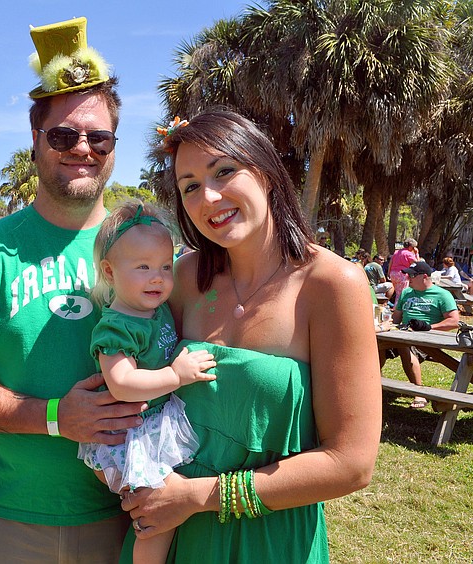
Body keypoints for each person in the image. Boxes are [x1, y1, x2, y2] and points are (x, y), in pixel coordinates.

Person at [0, 17, 145, 563]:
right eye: (63, 135)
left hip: (128, 516)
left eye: (98, 136)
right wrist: (54, 418)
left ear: (114, 145)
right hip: (7, 518)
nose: (81, 148)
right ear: (36, 142)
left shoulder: (144, 246)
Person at [118, 110, 381, 562]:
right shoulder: (180, 279)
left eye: (224, 171)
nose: (210, 197)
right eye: (190, 187)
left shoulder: (334, 284)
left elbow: (351, 464)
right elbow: (134, 365)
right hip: (170, 538)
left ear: (265, 172)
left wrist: (199, 496)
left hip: (270, 540)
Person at [78, 201, 216, 564]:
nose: (158, 277)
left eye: (165, 267)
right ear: (109, 271)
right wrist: (175, 376)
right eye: (143, 267)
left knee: (162, 510)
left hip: (152, 427)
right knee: (157, 515)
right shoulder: (116, 327)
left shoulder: (157, 310)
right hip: (130, 438)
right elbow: (122, 382)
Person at [381, 261, 459, 409]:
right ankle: (373, 385)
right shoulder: (406, 292)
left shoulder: (442, 295)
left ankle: (419, 393)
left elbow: (454, 321)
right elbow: (396, 318)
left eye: (412, 275)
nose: (408, 278)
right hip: (403, 333)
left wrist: (429, 327)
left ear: (424, 277)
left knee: (404, 347)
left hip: (426, 339)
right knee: (377, 347)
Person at [388, 238, 419, 303]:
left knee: (398, 293)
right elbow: (418, 264)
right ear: (410, 247)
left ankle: (396, 308)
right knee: (402, 294)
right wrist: (416, 254)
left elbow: (391, 262)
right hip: (402, 274)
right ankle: (398, 309)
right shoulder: (408, 254)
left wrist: (388, 273)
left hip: (393, 274)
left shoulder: (396, 252)